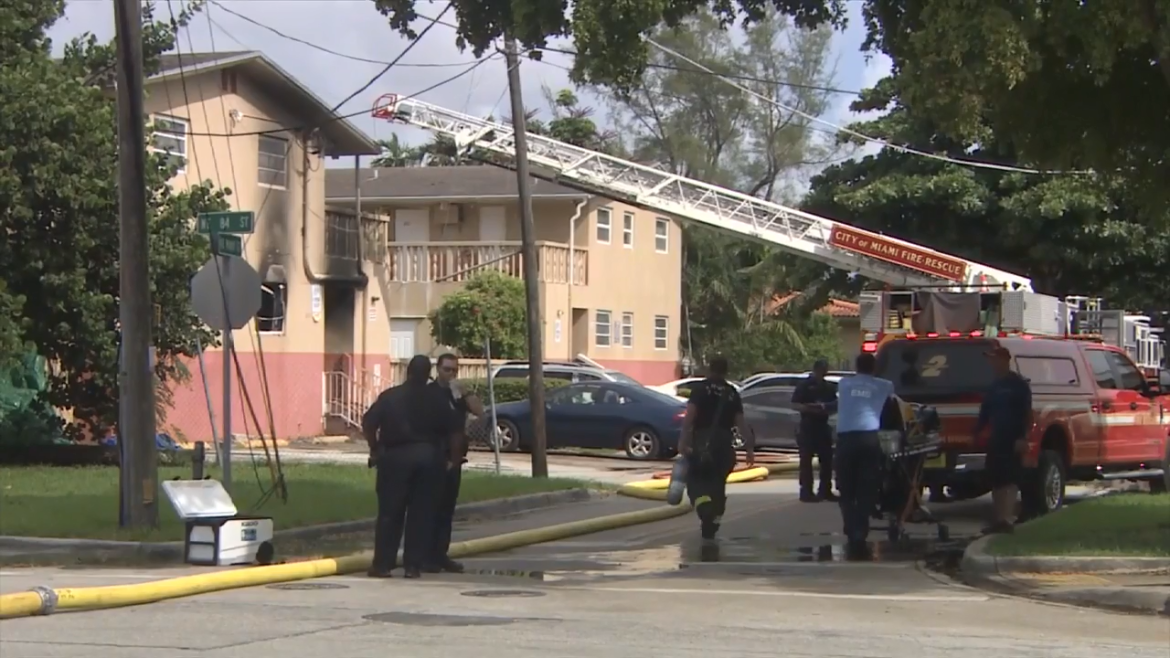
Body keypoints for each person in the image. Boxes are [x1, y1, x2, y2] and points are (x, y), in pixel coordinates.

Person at [362, 354, 461, 579]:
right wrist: (453, 460)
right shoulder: (438, 399)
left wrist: (375, 448)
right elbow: (456, 432)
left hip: (394, 457)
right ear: (429, 374)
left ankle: (382, 565)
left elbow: (369, 423)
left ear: (407, 372)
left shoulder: (390, 396)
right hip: (429, 459)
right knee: (422, 513)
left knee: (389, 513)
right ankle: (413, 566)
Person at [679, 356, 754, 541]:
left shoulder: (700, 389)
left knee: (696, 482)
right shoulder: (731, 392)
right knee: (718, 484)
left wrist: (683, 440)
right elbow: (741, 423)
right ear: (726, 371)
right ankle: (714, 518)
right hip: (724, 445)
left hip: (702, 442)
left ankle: (705, 511)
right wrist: (749, 449)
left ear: (709, 368)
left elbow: (690, 417)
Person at [426, 352, 486, 574]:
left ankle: (441, 554)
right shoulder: (430, 393)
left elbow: (479, 411)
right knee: (431, 508)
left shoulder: (458, 395)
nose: (450, 374)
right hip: (434, 456)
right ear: (438, 370)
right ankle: (426, 555)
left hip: (455, 458)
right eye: (447, 369)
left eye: (454, 370)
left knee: (447, 510)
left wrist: (464, 392)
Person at [834, 353, 895, 558]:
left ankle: (851, 527)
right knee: (866, 487)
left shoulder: (843, 384)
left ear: (856, 367)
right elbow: (892, 407)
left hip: (846, 439)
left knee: (846, 487)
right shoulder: (885, 385)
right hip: (869, 438)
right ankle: (860, 530)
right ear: (874, 367)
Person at [972, 346, 1032, 534]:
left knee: (1010, 479)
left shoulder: (1018, 385)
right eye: (990, 359)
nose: (992, 362)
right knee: (996, 480)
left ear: (1005, 360)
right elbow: (985, 411)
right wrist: (976, 432)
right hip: (996, 437)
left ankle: (1007, 518)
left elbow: (1027, 413)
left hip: (1013, 438)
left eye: (995, 358)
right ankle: (999, 520)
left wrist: (1023, 437)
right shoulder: (994, 386)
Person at [791, 359, 839, 503]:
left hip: (823, 425)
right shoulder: (805, 386)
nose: (824, 371)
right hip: (808, 425)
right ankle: (806, 492)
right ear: (816, 369)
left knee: (827, 460)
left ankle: (825, 490)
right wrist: (810, 408)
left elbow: (835, 405)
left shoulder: (828, 387)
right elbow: (794, 404)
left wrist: (825, 408)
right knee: (806, 461)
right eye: (822, 368)